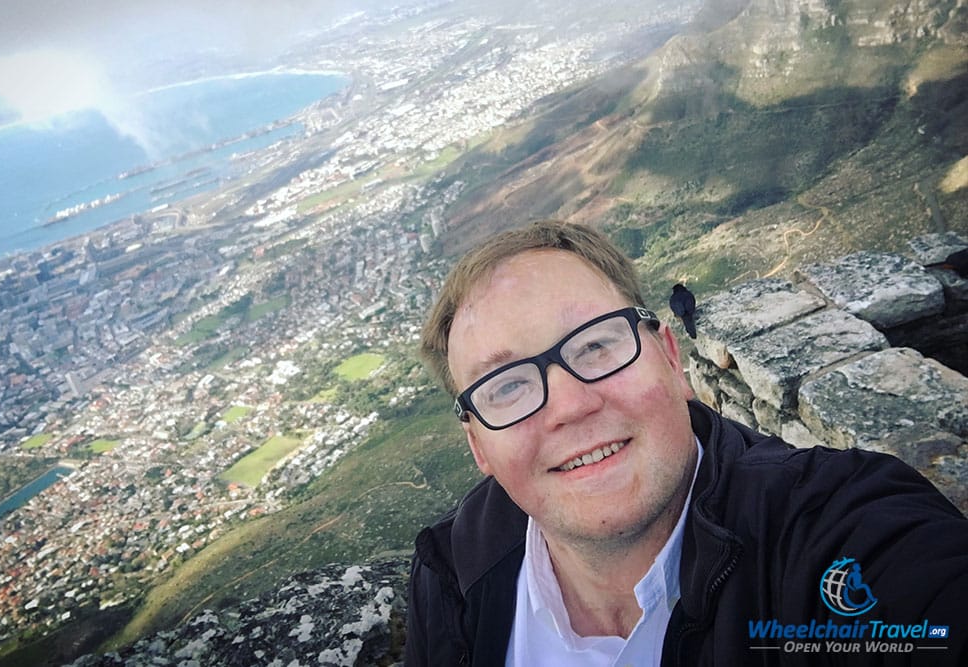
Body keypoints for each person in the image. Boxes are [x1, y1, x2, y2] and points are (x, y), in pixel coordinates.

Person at [405, 219, 968, 666]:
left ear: (672, 360)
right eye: (507, 387)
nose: (571, 406)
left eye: (597, 345)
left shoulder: (832, 527)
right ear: (478, 445)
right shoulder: (450, 569)